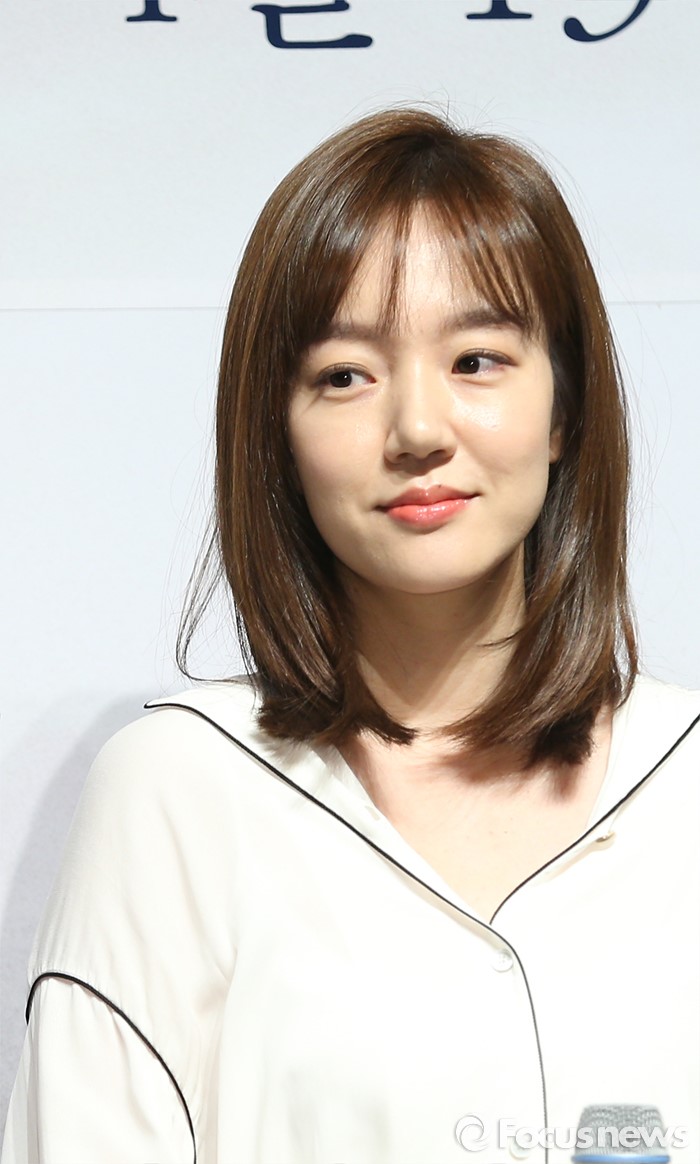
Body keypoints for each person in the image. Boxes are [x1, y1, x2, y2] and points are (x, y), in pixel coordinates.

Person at [2, 107, 699, 1164]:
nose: (417, 429)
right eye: (343, 375)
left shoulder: (681, 779)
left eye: (477, 360)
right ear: (276, 435)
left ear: (565, 410)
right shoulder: (180, 790)